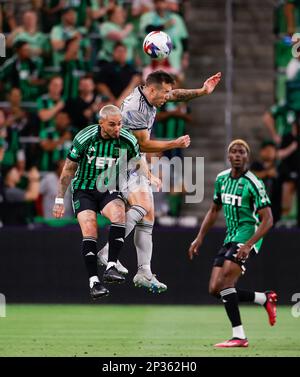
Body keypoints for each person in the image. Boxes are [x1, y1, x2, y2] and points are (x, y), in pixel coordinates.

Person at [98, 69, 221, 293]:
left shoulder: (151, 96)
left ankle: (144, 271)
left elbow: (176, 94)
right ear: (152, 89)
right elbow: (143, 144)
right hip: (119, 162)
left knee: (148, 216)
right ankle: (107, 253)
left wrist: (203, 91)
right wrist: (174, 143)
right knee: (143, 206)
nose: (167, 97)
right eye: (164, 93)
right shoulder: (136, 108)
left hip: (133, 160)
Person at [52, 105, 149, 300]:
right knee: (90, 229)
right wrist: (59, 199)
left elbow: (138, 164)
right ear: (101, 123)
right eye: (112, 124)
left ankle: (111, 265)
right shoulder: (85, 137)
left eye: (120, 124)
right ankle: (94, 282)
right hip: (84, 190)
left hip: (107, 189)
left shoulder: (127, 140)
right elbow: (69, 170)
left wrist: (147, 178)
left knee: (119, 214)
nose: (117, 128)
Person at [188, 139, 277, 348]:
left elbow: (268, 219)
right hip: (231, 236)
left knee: (227, 279)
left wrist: (248, 245)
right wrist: (199, 237)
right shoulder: (221, 179)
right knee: (215, 288)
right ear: (228, 156)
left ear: (247, 157)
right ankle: (264, 299)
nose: (237, 155)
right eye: (234, 152)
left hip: (248, 235)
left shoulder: (253, 182)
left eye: (242, 152)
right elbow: (214, 210)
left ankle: (239, 336)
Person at [96, 43, 142, 108]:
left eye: (123, 51)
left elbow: (136, 82)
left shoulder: (131, 68)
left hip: (127, 101)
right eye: (119, 51)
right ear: (113, 53)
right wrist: (112, 100)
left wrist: (121, 101)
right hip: (109, 101)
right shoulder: (107, 67)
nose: (121, 54)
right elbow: (100, 85)